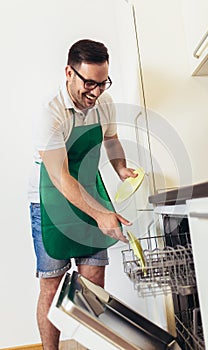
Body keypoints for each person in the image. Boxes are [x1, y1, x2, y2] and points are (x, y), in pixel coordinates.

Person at [28, 39, 137, 350]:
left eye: (103, 83)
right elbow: (60, 176)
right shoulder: (49, 111)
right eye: (89, 82)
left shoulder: (104, 102)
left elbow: (112, 138)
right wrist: (101, 213)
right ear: (68, 72)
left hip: (91, 189)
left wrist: (121, 168)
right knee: (51, 285)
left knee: (92, 283)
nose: (96, 91)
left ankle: (90, 346)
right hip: (50, 201)